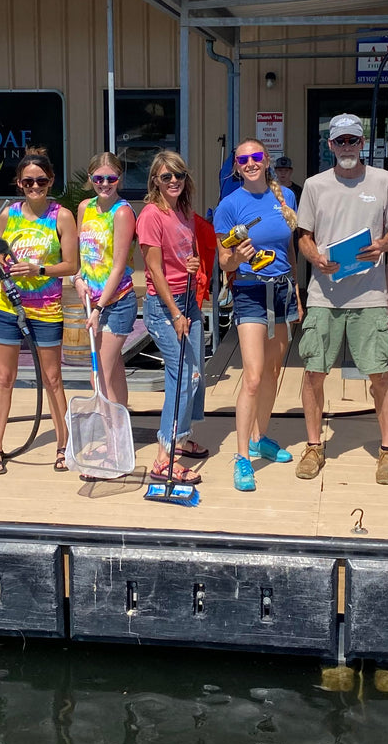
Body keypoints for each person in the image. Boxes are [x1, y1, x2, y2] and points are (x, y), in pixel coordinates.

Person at [295, 114, 388, 485]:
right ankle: (314, 445)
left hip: (370, 295)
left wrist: (382, 245)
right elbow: (303, 236)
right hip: (323, 297)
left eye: (353, 141)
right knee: (314, 373)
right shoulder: (313, 185)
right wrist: (314, 257)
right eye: (340, 141)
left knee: (379, 373)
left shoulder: (384, 181)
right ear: (330, 145)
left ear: (364, 144)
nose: (346, 147)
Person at [0, 148, 79, 475]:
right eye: (28, 182)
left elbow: (72, 264)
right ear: (19, 184)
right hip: (8, 307)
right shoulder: (8, 215)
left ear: (51, 180)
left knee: (53, 378)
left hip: (47, 310)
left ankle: (62, 445)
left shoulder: (61, 216)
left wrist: (38, 271)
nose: (35, 187)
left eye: (41, 181)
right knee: (4, 378)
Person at [215, 138, 300, 492]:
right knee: (251, 376)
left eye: (256, 156)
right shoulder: (229, 205)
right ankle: (242, 458)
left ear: (266, 160)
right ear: (237, 166)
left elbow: (288, 247)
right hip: (250, 290)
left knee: (273, 372)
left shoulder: (287, 198)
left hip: (282, 289)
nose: (250, 163)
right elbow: (224, 261)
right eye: (243, 159)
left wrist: (296, 285)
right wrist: (240, 256)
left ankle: (259, 437)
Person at [137, 151, 205, 486]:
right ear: (156, 182)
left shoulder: (184, 212)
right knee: (183, 376)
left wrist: (192, 265)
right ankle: (165, 458)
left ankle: (180, 435)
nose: (173, 181)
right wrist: (177, 313)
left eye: (178, 175)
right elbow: (154, 270)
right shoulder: (151, 214)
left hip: (187, 299)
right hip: (165, 306)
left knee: (196, 375)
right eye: (166, 177)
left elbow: (182, 258)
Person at [73, 151, 136, 407]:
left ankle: (112, 440)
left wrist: (99, 308)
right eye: (99, 178)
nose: (105, 183)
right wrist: (77, 278)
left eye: (111, 178)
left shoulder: (122, 213)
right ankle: (121, 435)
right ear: (90, 178)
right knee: (114, 371)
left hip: (117, 302)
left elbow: (119, 267)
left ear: (119, 179)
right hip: (93, 302)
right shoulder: (84, 208)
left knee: (98, 376)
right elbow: (81, 255)